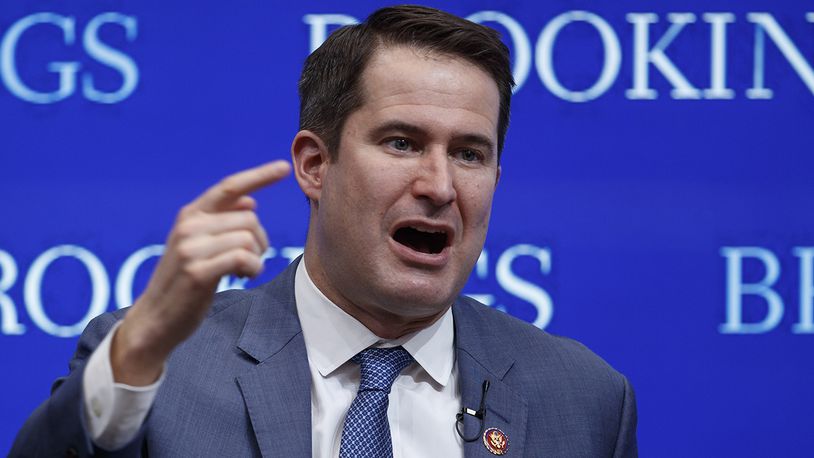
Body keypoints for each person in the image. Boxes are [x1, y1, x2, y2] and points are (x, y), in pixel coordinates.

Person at [12, 5, 637, 457]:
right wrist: (142, 349)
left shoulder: (583, 399)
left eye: (470, 154)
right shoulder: (158, 368)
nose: (440, 186)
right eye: (402, 142)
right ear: (316, 164)